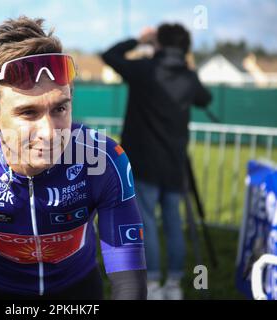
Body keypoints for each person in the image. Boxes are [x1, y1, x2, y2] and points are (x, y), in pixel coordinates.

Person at [0, 16, 147, 300]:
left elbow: (129, 282)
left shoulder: (104, 159)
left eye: (60, 109)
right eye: (28, 113)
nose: (49, 133)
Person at [101, 23, 212, 300]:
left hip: (143, 163)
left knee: (146, 223)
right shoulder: (187, 77)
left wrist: (139, 40)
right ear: (185, 47)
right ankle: (173, 286)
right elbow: (204, 97)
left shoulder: (144, 70)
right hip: (175, 165)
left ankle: (151, 285)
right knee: (174, 223)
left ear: (158, 43)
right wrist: (186, 60)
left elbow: (110, 55)